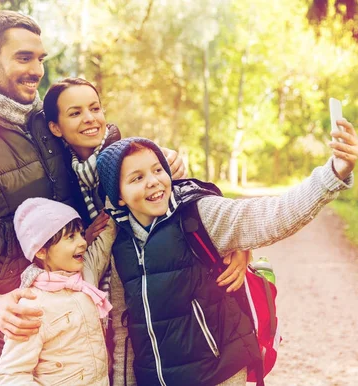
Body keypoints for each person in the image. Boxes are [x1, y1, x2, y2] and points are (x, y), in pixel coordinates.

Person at [0, 10, 189, 385]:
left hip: (79, 308)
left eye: (40, 58)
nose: (37, 70)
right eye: (23, 57)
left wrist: (168, 164)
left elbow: (112, 167)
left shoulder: (49, 122)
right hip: (9, 326)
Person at [95, 128, 358, 385]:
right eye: (136, 178)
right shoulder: (122, 245)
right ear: (118, 197)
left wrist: (332, 174)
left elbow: (273, 215)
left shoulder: (198, 214)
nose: (153, 181)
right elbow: (124, 330)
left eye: (157, 169)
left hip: (218, 374)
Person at [43, 77, 251, 385]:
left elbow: (195, 206)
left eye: (95, 108)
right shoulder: (58, 176)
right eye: (75, 113)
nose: (89, 118)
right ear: (55, 127)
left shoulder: (134, 156)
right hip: (96, 298)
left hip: (144, 299)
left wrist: (239, 244)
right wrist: (83, 240)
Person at [0, 197, 115, 385]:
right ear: (41, 251)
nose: (83, 242)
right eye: (71, 237)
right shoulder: (32, 305)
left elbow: (105, 241)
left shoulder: (86, 274)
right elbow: (11, 374)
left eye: (82, 234)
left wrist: (114, 203)